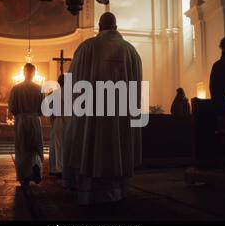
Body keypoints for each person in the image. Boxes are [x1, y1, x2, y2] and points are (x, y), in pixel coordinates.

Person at [62, 12, 143, 205]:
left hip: (92, 117)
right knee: (118, 149)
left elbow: (72, 84)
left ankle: (90, 194)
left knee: (91, 150)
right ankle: (118, 193)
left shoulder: (86, 48)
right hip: (120, 116)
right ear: (115, 27)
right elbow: (137, 90)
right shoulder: (131, 51)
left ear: (99, 26)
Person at [8, 63, 44, 187]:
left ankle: (24, 178)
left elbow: (12, 107)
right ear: (34, 73)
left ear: (24, 72)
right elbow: (42, 109)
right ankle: (36, 167)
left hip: (21, 120)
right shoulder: (39, 88)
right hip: (34, 119)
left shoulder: (16, 88)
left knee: (22, 148)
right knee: (35, 147)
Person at [48, 75, 65, 176]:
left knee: (57, 145)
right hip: (69, 121)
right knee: (66, 145)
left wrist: (52, 121)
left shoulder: (53, 94)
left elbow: (50, 111)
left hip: (58, 121)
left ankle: (57, 168)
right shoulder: (72, 94)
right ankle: (65, 168)